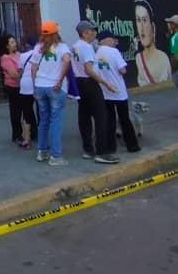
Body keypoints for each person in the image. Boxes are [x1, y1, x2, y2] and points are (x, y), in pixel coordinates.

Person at [72, 20, 119, 164]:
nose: (95, 33)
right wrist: (105, 83)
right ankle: (102, 152)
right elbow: (89, 69)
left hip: (79, 83)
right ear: (85, 33)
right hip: (89, 83)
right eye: (92, 31)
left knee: (84, 116)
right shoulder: (86, 47)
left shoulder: (74, 46)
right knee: (101, 117)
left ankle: (88, 149)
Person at [31, 21, 72, 166]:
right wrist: (60, 80)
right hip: (55, 88)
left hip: (40, 87)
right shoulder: (62, 47)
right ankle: (56, 156)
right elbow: (67, 61)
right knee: (56, 121)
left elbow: (33, 68)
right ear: (56, 33)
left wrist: (35, 86)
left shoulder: (38, 48)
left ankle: (42, 152)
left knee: (43, 120)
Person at [95, 30, 140, 153]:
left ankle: (110, 147)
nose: (115, 41)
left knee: (110, 120)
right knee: (124, 119)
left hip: (105, 91)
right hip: (118, 92)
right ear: (107, 40)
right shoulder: (114, 52)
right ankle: (132, 145)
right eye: (113, 39)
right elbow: (123, 70)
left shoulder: (97, 52)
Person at [0, 34, 35, 146]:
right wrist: (24, 72)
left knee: (27, 110)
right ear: (6, 46)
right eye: (12, 42)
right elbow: (14, 74)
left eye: (15, 41)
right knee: (16, 112)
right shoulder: (5, 58)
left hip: (23, 86)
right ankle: (17, 135)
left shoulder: (20, 55)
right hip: (13, 87)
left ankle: (30, 133)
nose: (15, 44)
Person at [133, 0, 172, 86]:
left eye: (145, 20)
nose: (141, 27)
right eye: (138, 20)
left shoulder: (163, 57)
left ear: (153, 26)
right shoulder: (138, 58)